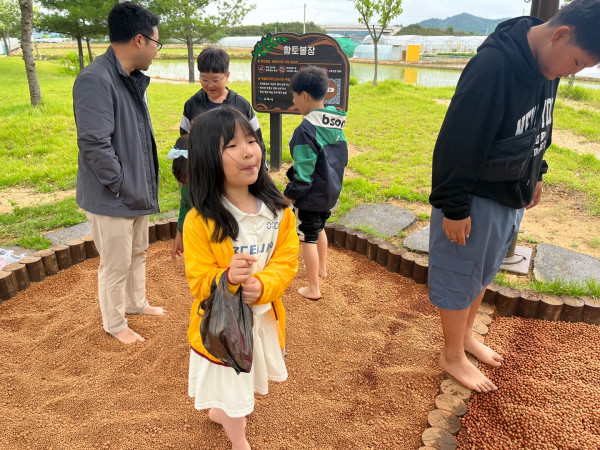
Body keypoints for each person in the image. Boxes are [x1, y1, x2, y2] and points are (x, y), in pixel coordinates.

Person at [428, 0, 600, 393]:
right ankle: (451, 354)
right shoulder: (493, 67)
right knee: (459, 275)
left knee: (483, 272)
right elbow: (455, 142)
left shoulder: (548, 65)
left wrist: (537, 172)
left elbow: (541, 123)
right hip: (474, 197)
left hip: (511, 192)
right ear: (560, 35)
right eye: (576, 62)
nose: (571, 73)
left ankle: (465, 337)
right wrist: (454, 207)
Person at [184, 106, 299, 450]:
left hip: (261, 319)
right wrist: (227, 278)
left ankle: (222, 413)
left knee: (243, 380)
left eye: (251, 140)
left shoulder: (278, 212)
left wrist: (264, 286)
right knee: (233, 384)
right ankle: (239, 440)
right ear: (208, 158)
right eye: (232, 145)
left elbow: (286, 261)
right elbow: (198, 280)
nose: (249, 151)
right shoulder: (200, 221)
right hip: (224, 327)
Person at [73, 2, 164, 345]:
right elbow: (94, 145)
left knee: (137, 252)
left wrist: (138, 187)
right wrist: (123, 186)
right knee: (115, 264)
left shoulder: (129, 78)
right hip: (113, 195)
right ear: (140, 40)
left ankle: (135, 303)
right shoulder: (96, 79)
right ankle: (114, 323)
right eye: (156, 42)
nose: (157, 50)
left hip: (135, 191)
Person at [283, 66, 348, 301]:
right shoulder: (334, 122)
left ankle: (313, 288)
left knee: (307, 238)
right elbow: (342, 158)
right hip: (330, 191)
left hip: (310, 196)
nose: (293, 102)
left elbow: (303, 175)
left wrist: (288, 196)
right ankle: (322, 269)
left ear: (304, 96)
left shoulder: (305, 130)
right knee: (320, 229)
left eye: (294, 96)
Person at [179, 46, 268, 168]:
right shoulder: (192, 105)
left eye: (216, 80)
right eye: (204, 79)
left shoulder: (241, 105)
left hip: (236, 167)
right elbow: (184, 140)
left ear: (227, 76)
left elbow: (257, 140)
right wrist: (184, 169)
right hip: (204, 168)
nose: (210, 85)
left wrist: (263, 169)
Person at [166, 134, 191, 260]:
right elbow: (184, 208)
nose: (181, 185)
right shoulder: (186, 188)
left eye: (186, 179)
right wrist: (179, 234)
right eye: (180, 179)